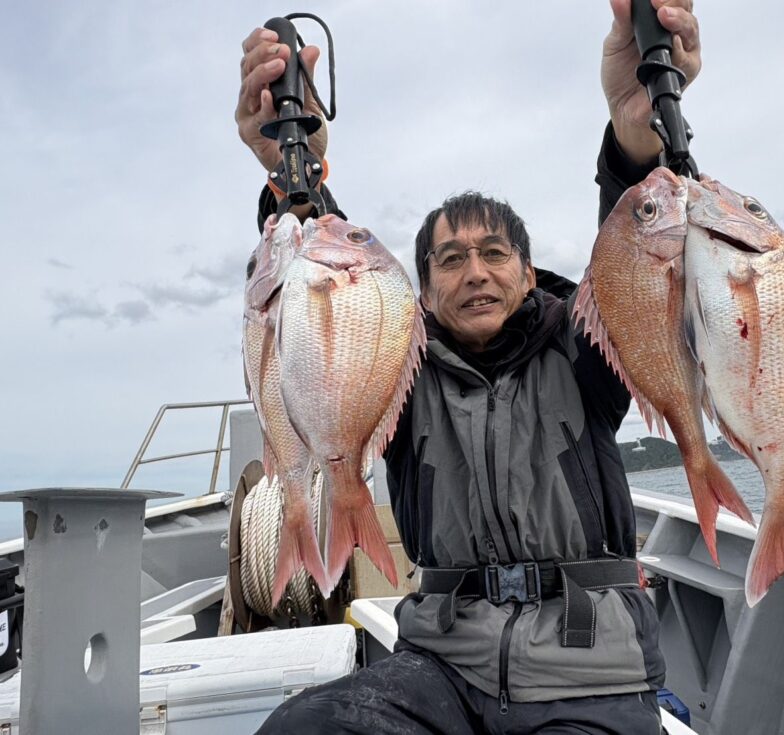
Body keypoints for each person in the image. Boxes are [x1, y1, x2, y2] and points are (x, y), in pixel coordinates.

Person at [237, 2, 701, 732]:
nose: (474, 273)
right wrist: (294, 171)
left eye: (493, 254)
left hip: (590, 672)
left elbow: (637, 252)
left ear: (527, 273)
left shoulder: (584, 347)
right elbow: (326, 297)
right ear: (420, 290)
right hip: (442, 666)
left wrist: (637, 136)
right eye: (450, 260)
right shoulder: (400, 370)